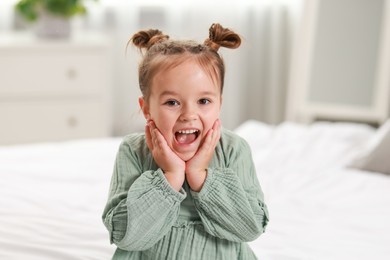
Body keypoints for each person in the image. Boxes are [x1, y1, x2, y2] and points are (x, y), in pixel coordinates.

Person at [102, 23, 269, 260]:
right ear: (146, 108)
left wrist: (200, 175)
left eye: (203, 101)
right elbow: (125, 234)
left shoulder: (234, 149)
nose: (189, 114)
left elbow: (249, 227)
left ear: (219, 103)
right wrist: (171, 176)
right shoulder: (134, 151)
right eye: (172, 102)